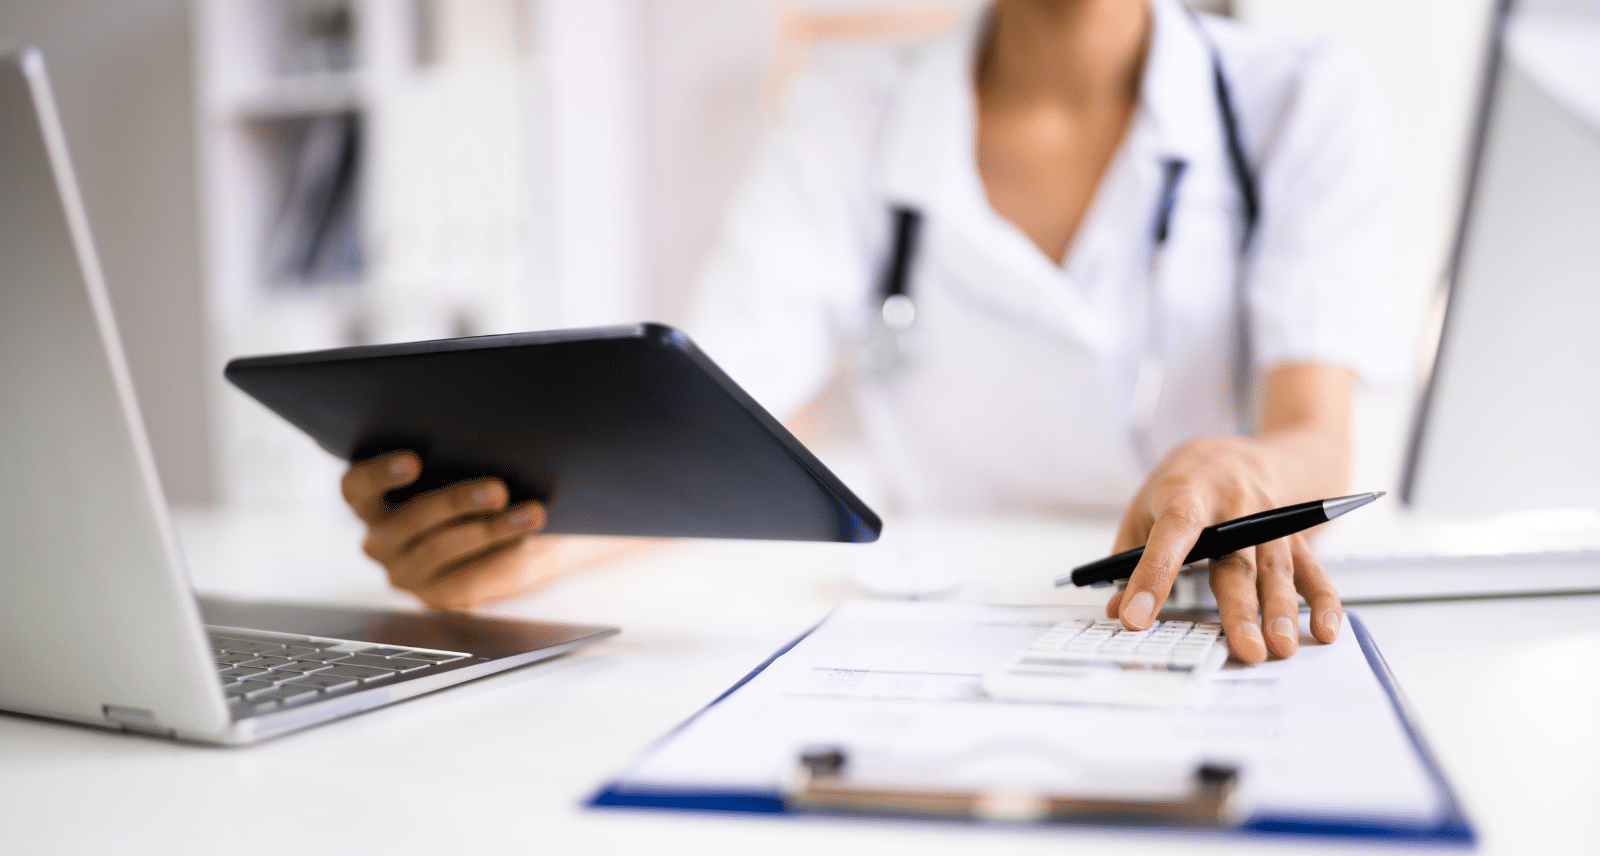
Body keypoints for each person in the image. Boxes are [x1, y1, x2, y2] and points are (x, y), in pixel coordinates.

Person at [340, 0, 1397, 665]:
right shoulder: (847, 108)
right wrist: (521, 539)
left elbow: (1314, 433)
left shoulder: (1298, 96)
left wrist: (1231, 463)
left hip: (1208, 626)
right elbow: (717, 414)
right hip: (944, 636)